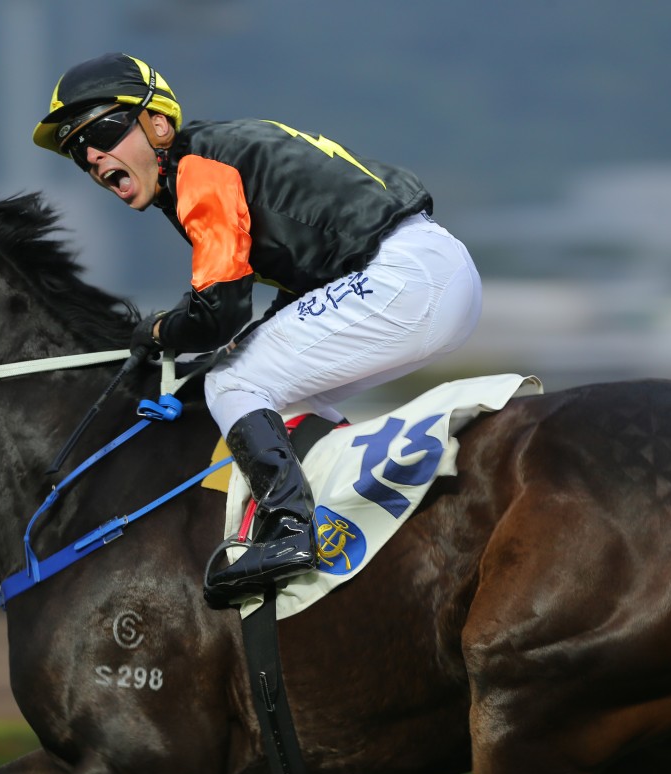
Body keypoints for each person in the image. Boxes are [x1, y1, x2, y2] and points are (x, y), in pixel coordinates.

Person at [34, 53, 482, 603]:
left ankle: (289, 530)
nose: (95, 156)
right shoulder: (210, 157)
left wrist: (156, 333)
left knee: (234, 383)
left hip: (406, 275)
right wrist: (215, 340)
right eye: (79, 152)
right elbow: (287, 288)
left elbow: (218, 311)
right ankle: (351, 522)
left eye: (102, 131)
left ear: (157, 123)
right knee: (268, 384)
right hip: (427, 270)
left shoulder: (198, 169)